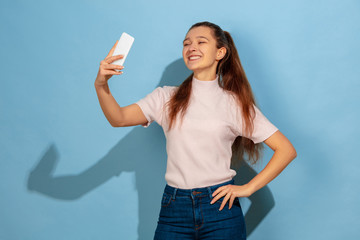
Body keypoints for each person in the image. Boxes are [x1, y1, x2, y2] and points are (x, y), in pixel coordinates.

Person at [94, 21, 297, 240]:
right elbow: (119, 118)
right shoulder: (165, 97)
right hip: (174, 208)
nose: (191, 47)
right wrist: (101, 84)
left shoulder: (235, 104)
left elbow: (286, 149)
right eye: (186, 43)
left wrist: (247, 188)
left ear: (220, 52)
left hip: (221, 210)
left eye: (201, 42)